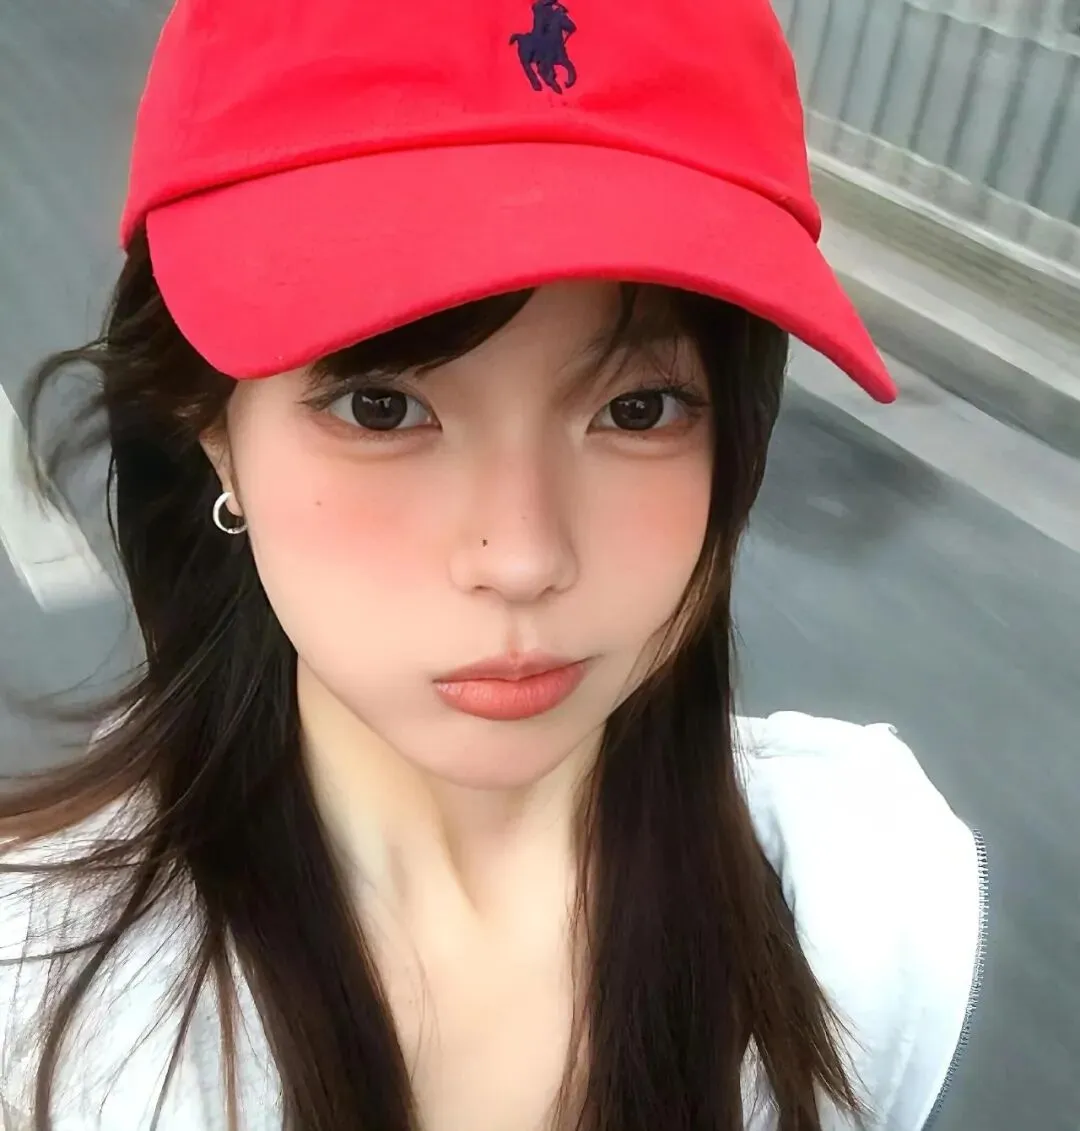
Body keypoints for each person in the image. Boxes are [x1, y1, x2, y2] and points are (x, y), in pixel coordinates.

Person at [0, 1, 988, 1129]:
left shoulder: (867, 910)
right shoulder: (36, 999)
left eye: (638, 408)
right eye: (382, 408)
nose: (522, 558)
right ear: (212, 425)